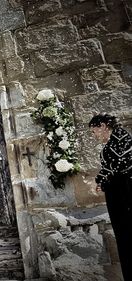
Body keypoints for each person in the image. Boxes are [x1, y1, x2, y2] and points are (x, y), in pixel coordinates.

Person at [89, 113, 132, 281]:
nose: (94, 136)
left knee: (127, 233)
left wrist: (101, 179)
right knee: (123, 235)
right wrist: (103, 181)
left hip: (125, 193)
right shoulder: (114, 141)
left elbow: (120, 162)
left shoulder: (121, 136)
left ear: (103, 126)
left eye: (94, 131)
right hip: (119, 193)